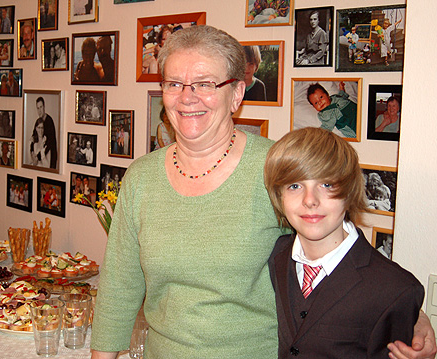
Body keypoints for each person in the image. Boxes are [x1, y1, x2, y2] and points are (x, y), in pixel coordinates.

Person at [90, 25, 436, 359]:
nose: (186, 97)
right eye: (174, 83)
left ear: (237, 94)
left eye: (205, 83)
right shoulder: (142, 178)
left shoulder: (277, 168)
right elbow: (119, 285)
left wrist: (408, 316)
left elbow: (339, 254)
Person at [264, 127, 424, 358]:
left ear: (349, 192)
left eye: (327, 185)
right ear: (279, 196)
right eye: (295, 186)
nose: (310, 201)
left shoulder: (395, 289)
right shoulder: (275, 256)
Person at [33, 97, 57, 169]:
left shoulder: (49, 121)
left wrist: (38, 156)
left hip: (50, 158)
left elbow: (50, 143)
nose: (39, 110)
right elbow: (33, 137)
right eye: (38, 108)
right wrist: (32, 152)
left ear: (44, 107)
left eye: (41, 107)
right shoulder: (37, 122)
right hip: (40, 158)